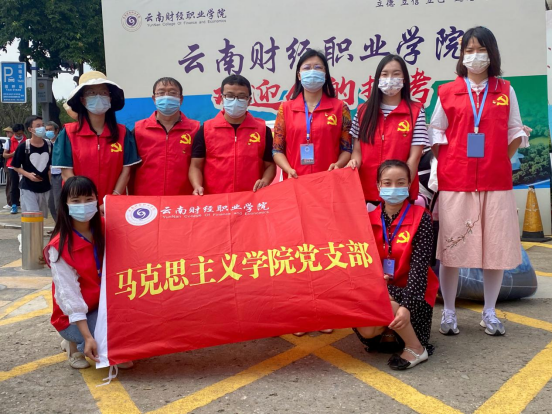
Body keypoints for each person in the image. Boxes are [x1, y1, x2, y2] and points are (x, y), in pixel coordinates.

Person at [429, 27, 528, 337]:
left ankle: (489, 312)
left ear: (491, 53)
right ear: (461, 56)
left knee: (494, 249)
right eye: (469, 50)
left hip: (495, 182)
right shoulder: (447, 91)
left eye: (481, 49)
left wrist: (499, 159)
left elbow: (515, 130)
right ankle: (448, 312)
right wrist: (450, 162)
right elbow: (436, 132)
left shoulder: (505, 90)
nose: (475, 56)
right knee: (452, 249)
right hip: (456, 182)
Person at [354, 160, 439, 371]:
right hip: (380, 291)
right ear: (378, 185)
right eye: (387, 183)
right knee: (367, 330)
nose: (394, 188)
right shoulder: (366, 220)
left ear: (409, 184)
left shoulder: (422, 219)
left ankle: (415, 347)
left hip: (413, 295)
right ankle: (387, 331)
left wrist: (407, 306)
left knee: (388, 302)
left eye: (400, 182)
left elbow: (420, 271)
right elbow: (360, 263)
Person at [44, 176, 133, 369]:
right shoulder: (59, 247)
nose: (83, 205)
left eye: (88, 199)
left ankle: (101, 341)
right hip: (72, 317)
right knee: (105, 340)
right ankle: (75, 343)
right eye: (76, 201)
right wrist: (88, 337)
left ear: (97, 200)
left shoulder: (108, 227)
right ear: (65, 204)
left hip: (104, 306)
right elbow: (70, 296)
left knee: (136, 329)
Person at [52, 71, 141, 214]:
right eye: (92, 93)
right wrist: (86, 202)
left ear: (110, 98)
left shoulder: (123, 133)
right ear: (82, 100)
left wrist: (111, 200)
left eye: (103, 92)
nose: (98, 96)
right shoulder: (68, 133)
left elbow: (126, 171)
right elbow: (67, 174)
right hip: (79, 206)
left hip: (114, 206)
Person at [347, 55, 427, 206]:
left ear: (404, 79)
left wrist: (402, 186)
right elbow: (357, 151)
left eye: (396, 74)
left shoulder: (416, 112)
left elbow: (414, 157)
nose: (390, 79)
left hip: (400, 192)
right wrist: (353, 163)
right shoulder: (363, 111)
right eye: (385, 74)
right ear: (378, 79)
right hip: (367, 190)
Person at [189, 75, 276, 195]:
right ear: (222, 98)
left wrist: (265, 181)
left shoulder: (263, 130)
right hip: (216, 199)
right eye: (229, 96)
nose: (235, 100)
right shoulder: (206, 129)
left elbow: (270, 165)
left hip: (251, 198)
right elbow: (195, 166)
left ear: (249, 100)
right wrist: (197, 186)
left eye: (241, 96)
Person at [273, 50, 352, 179]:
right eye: (307, 68)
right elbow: (277, 150)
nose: (312, 71)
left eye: (318, 67)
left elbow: (347, 149)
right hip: (295, 180)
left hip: (328, 179)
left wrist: (338, 164)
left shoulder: (340, 108)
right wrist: (288, 169)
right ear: (299, 75)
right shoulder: (285, 108)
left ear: (325, 74)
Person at [132, 77, 200, 196]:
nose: (166, 97)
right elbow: (129, 169)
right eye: (161, 93)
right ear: (154, 99)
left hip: (184, 198)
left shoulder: (196, 129)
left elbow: (199, 166)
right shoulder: (138, 130)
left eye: (172, 93)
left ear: (181, 99)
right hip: (146, 199)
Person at [11, 116, 52, 217]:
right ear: (30, 129)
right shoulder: (24, 146)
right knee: (32, 216)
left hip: (45, 187)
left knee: (41, 217)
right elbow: (15, 166)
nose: (42, 128)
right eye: (38, 126)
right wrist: (28, 175)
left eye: (42, 125)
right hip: (27, 187)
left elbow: (51, 166)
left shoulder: (49, 145)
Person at [3, 124, 26, 214]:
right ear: (14, 132)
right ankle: (14, 205)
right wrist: (13, 154)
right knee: (14, 186)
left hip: (24, 166)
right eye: (17, 133)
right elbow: (5, 155)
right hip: (12, 166)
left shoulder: (27, 141)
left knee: (24, 186)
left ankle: (24, 204)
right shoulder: (9, 141)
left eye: (20, 133)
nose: (19, 135)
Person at [45, 121, 62, 221]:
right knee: (51, 204)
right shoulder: (46, 144)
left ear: (57, 130)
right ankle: (58, 224)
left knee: (58, 203)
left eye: (50, 130)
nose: (48, 132)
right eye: (46, 130)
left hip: (59, 175)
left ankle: (61, 226)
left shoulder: (62, 143)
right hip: (49, 175)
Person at [2, 126, 14, 209]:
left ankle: (11, 203)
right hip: (10, 166)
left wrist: (11, 154)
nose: (7, 134)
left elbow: (5, 154)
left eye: (8, 132)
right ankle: (12, 202)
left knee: (10, 185)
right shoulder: (8, 141)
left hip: (11, 165)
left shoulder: (9, 141)